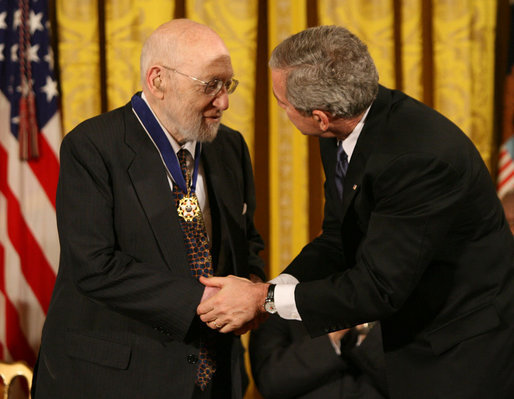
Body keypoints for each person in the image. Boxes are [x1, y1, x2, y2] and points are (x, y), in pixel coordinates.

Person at [197, 25, 514, 398]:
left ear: (319, 117)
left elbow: (378, 287)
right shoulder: (344, 129)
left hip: (461, 352)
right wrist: (271, 291)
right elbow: (338, 238)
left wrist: (263, 300)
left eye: (281, 104)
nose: (281, 111)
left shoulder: (418, 160)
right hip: (410, 339)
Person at [31, 19, 265, 399]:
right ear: (158, 81)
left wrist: (251, 292)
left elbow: (246, 242)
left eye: (227, 85)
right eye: (210, 85)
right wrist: (205, 302)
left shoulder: (230, 147)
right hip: (114, 379)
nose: (223, 101)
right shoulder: (93, 146)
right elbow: (93, 265)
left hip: (214, 379)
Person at [250, 319, 387, 399]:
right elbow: (270, 382)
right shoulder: (279, 305)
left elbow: (402, 380)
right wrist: (333, 337)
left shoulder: (388, 297)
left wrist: (364, 330)